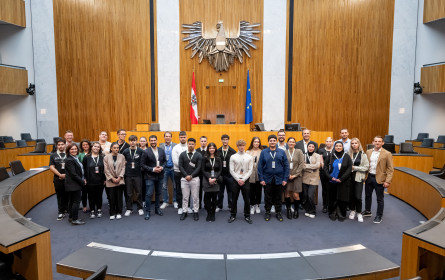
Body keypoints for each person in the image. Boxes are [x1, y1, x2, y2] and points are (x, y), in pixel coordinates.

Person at [257, 135, 289, 222]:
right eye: (270, 140)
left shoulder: (282, 152)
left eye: (274, 140)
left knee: (278, 197)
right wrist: (261, 179)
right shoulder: (264, 152)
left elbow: (286, 166)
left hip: (279, 179)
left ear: (276, 141)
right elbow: (260, 166)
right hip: (267, 179)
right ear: (268, 142)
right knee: (268, 197)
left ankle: (278, 212)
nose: (272, 142)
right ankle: (267, 212)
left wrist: (285, 179)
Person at [363, 136, 394, 224]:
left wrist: (388, 181)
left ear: (382, 143)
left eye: (379, 141)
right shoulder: (368, 152)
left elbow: (390, 169)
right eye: (376, 141)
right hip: (369, 177)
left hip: (380, 179)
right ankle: (368, 211)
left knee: (379, 198)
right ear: (373, 142)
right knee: (367, 196)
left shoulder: (387, 153)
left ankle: (379, 216)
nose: (377, 143)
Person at [324, 141, 352, 221]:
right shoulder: (330, 156)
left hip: (343, 181)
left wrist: (341, 178)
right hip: (332, 181)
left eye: (340, 146)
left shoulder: (346, 156)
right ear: (334, 147)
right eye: (337, 146)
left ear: (342, 147)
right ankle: (332, 212)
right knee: (332, 198)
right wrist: (329, 177)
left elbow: (349, 169)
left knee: (342, 198)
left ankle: (341, 214)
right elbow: (325, 168)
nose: (338, 147)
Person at [141, 135, 166, 220]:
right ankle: (147, 211)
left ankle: (157, 209)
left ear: (157, 141)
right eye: (151, 140)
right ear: (149, 141)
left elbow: (165, 161)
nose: (153, 142)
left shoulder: (161, 150)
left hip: (160, 176)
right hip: (149, 176)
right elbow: (142, 164)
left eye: (154, 140)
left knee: (158, 193)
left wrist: (162, 167)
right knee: (149, 194)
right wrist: (152, 169)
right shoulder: (146, 151)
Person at [229, 139, 254, 224]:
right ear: (237, 146)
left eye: (243, 145)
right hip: (236, 180)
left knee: (246, 199)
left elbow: (250, 170)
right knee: (234, 198)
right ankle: (233, 215)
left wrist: (243, 179)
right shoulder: (233, 157)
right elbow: (231, 170)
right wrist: (238, 179)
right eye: (240, 145)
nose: (241, 147)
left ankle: (247, 215)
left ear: (245, 146)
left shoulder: (249, 157)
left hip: (245, 180)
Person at [178, 138, 202, 221]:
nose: (191, 145)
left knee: (195, 197)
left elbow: (199, 167)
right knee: (185, 197)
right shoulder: (182, 154)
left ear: (195, 145)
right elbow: (180, 166)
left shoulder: (198, 155)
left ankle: (196, 212)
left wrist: (191, 176)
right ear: (187, 144)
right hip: (184, 179)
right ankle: (184, 212)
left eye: (192, 144)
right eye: (189, 144)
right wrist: (186, 175)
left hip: (195, 179)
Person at [348, 138, 369, 223]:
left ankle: (359, 212)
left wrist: (355, 168)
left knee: (358, 196)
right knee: (351, 196)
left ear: (359, 144)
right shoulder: (348, 154)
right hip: (349, 178)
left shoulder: (363, 155)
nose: (354, 145)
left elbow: (366, 167)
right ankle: (352, 210)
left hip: (358, 178)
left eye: (355, 143)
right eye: (352, 143)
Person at [82, 142, 106, 219]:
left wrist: (105, 179)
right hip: (90, 181)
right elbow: (84, 169)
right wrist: (84, 178)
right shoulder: (86, 157)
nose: (96, 148)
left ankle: (99, 209)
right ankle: (92, 210)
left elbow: (105, 169)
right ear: (92, 147)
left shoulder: (103, 157)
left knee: (99, 196)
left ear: (100, 148)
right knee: (91, 196)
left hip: (100, 180)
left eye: (98, 147)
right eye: (95, 146)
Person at [122, 135, 144, 216]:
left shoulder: (141, 151)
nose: (132, 142)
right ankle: (129, 208)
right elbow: (122, 162)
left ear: (136, 141)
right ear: (129, 142)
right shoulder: (125, 151)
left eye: (134, 140)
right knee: (129, 193)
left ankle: (140, 208)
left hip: (138, 175)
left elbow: (143, 162)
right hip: (128, 175)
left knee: (139, 192)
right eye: (131, 141)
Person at [64, 143, 86, 225]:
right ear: (68, 150)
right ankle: (75, 219)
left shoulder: (75, 158)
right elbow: (73, 174)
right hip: (73, 184)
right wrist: (82, 181)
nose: (74, 150)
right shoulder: (70, 160)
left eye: (75, 149)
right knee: (76, 202)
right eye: (72, 149)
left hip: (73, 184)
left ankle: (71, 217)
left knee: (72, 201)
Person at [104, 142, 126, 220]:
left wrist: (119, 177)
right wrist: (112, 178)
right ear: (111, 148)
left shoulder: (122, 156)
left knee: (119, 197)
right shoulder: (106, 157)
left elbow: (123, 167)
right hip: (110, 181)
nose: (116, 149)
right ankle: (112, 213)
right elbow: (106, 169)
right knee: (111, 198)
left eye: (117, 148)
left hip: (120, 180)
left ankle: (119, 212)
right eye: (114, 148)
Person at [284, 137, 304, 219]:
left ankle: (296, 210)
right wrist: (287, 175)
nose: (291, 143)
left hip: (297, 177)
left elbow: (301, 164)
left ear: (295, 143)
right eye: (290, 142)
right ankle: (288, 210)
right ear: (287, 143)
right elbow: (283, 164)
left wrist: (295, 175)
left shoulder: (299, 151)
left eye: (293, 142)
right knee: (287, 193)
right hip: (287, 176)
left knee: (296, 195)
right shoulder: (284, 152)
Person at [49, 138, 69, 221]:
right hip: (58, 179)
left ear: (65, 145)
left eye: (62, 144)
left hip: (69, 178)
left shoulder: (68, 154)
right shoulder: (53, 155)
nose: (60, 146)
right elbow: (51, 167)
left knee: (68, 194)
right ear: (56, 146)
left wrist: (66, 175)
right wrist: (60, 175)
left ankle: (68, 209)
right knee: (60, 196)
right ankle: (61, 211)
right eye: (59, 145)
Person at [201, 142, 221, 222]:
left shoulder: (218, 158)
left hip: (216, 179)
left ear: (215, 149)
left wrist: (215, 178)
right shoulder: (205, 158)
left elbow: (220, 170)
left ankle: (213, 213)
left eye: (213, 148)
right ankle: (208, 213)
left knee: (214, 198)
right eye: (210, 148)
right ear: (208, 149)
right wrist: (209, 178)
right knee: (207, 198)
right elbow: (203, 169)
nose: (211, 149)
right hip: (207, 179)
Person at [217, 134, 236, 212]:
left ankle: (231, 206)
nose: (225, 141)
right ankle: (219, 206)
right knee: (220, 192)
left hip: (229, 175)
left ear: (228, 140)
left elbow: (235, 163)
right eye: (223, 139)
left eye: (226, 139)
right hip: (220, 175)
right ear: (221, 140)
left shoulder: (233, 151)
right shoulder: (218, 151)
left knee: (230, 192)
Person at [302, 142, 321, 218]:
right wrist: (311, 167)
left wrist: (307, 166)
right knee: (305, 196)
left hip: (314, 179)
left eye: (312, 147)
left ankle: (313, 211)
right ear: (307, 147)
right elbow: (302, 166)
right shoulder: (303, 155)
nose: (311, 148)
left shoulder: (317, 156)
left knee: (310, 196)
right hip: (305, 178)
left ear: (314, 148)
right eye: (309, 146)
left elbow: (318, 165)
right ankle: (307, 210)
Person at [246, 137, 264, 215]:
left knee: (259, 191)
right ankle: (252, 205)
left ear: (259, 143)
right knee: (251, 191)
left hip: (259, 174)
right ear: (252, 143)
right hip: (250, 175)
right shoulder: (248, 152)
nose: (256, 143)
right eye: (255, 142)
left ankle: (257, 205)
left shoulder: (262, 152)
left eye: (257, 142)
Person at [172, 131, 188, 215]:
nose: (183, 138)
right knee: (179, 190)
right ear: (179, 138)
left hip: (188, 173)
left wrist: (187, 170)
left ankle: (187, 206)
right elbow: (175, 161)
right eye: (181, 137)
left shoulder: (189, 146)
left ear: (186, 137)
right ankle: (180, 207)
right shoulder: (175, 148)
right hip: (178, 172)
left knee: (188, 190)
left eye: (184, 137)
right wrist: (184, 169)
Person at [159, 132, 176, 209]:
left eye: (169, 136)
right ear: (164, 137)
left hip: (173, 168)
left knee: (175, 185)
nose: (168, 137)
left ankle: (175, 201)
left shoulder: (175, 145)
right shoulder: (161, 146)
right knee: (164, 186)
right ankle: (165, 202)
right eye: (166, 136)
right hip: (164, 168)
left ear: (171, 137)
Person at [317, 137, 334, 213]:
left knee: (332, 189)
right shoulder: (321, 150)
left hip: (333, 172)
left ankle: (331, 204)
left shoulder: (335, 150)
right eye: (327, 141)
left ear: (333, 142)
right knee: (324, 189)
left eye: (330, 141)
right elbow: (321, 162)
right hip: (323, 172)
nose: (328, 143)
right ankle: (325, 205)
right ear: (325, 142)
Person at [78, 139, 91, 213]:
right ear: (81, 146)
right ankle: (84, 206)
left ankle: (92, 205)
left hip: (92, 176)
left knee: (91, 192)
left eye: (86, 144)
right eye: (83, 145)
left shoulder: (92, 153)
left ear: (89, 145)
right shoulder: (80, 154)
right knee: (84, 192)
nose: (85, 146)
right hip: (83, 176)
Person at [196, 136, 208, 209]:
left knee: (206, 190)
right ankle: (199, 204)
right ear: (200, 142)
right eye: (202, 141)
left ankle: (206, 205)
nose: (203, 143)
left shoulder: (209, 151)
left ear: (206, 142)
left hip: (206, 174)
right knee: (198, 191)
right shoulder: (196, 151)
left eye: (204, 141)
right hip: (199, 174)